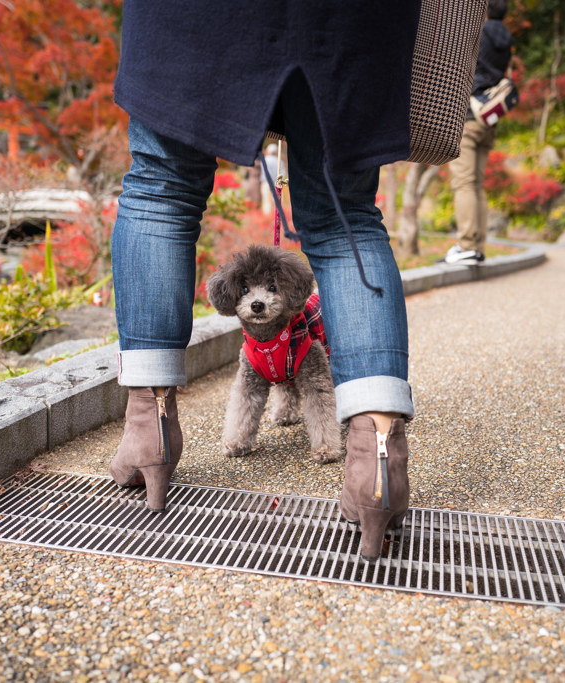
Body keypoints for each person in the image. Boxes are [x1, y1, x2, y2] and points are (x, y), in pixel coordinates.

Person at [107, 2, 421, 561]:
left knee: (162, 189)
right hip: (346, 24)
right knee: (343, 216)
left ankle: (148, 426)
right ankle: (378, 460)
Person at [443, 0, 515, 265]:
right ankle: (477, 245)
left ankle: (467, 245)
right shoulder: (506, 38)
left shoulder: (479, 33)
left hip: (470, 115)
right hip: (489, 119)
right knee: (477, 184)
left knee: (464, 183)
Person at [259, 143, 286, 215]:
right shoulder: (279, 161)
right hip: (276, 182)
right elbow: (283, 173)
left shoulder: (265, 160)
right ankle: (278, 215)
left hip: (266, 182)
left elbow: (263, 172)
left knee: (266, 200)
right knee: (278, 200)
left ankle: (267, 215)